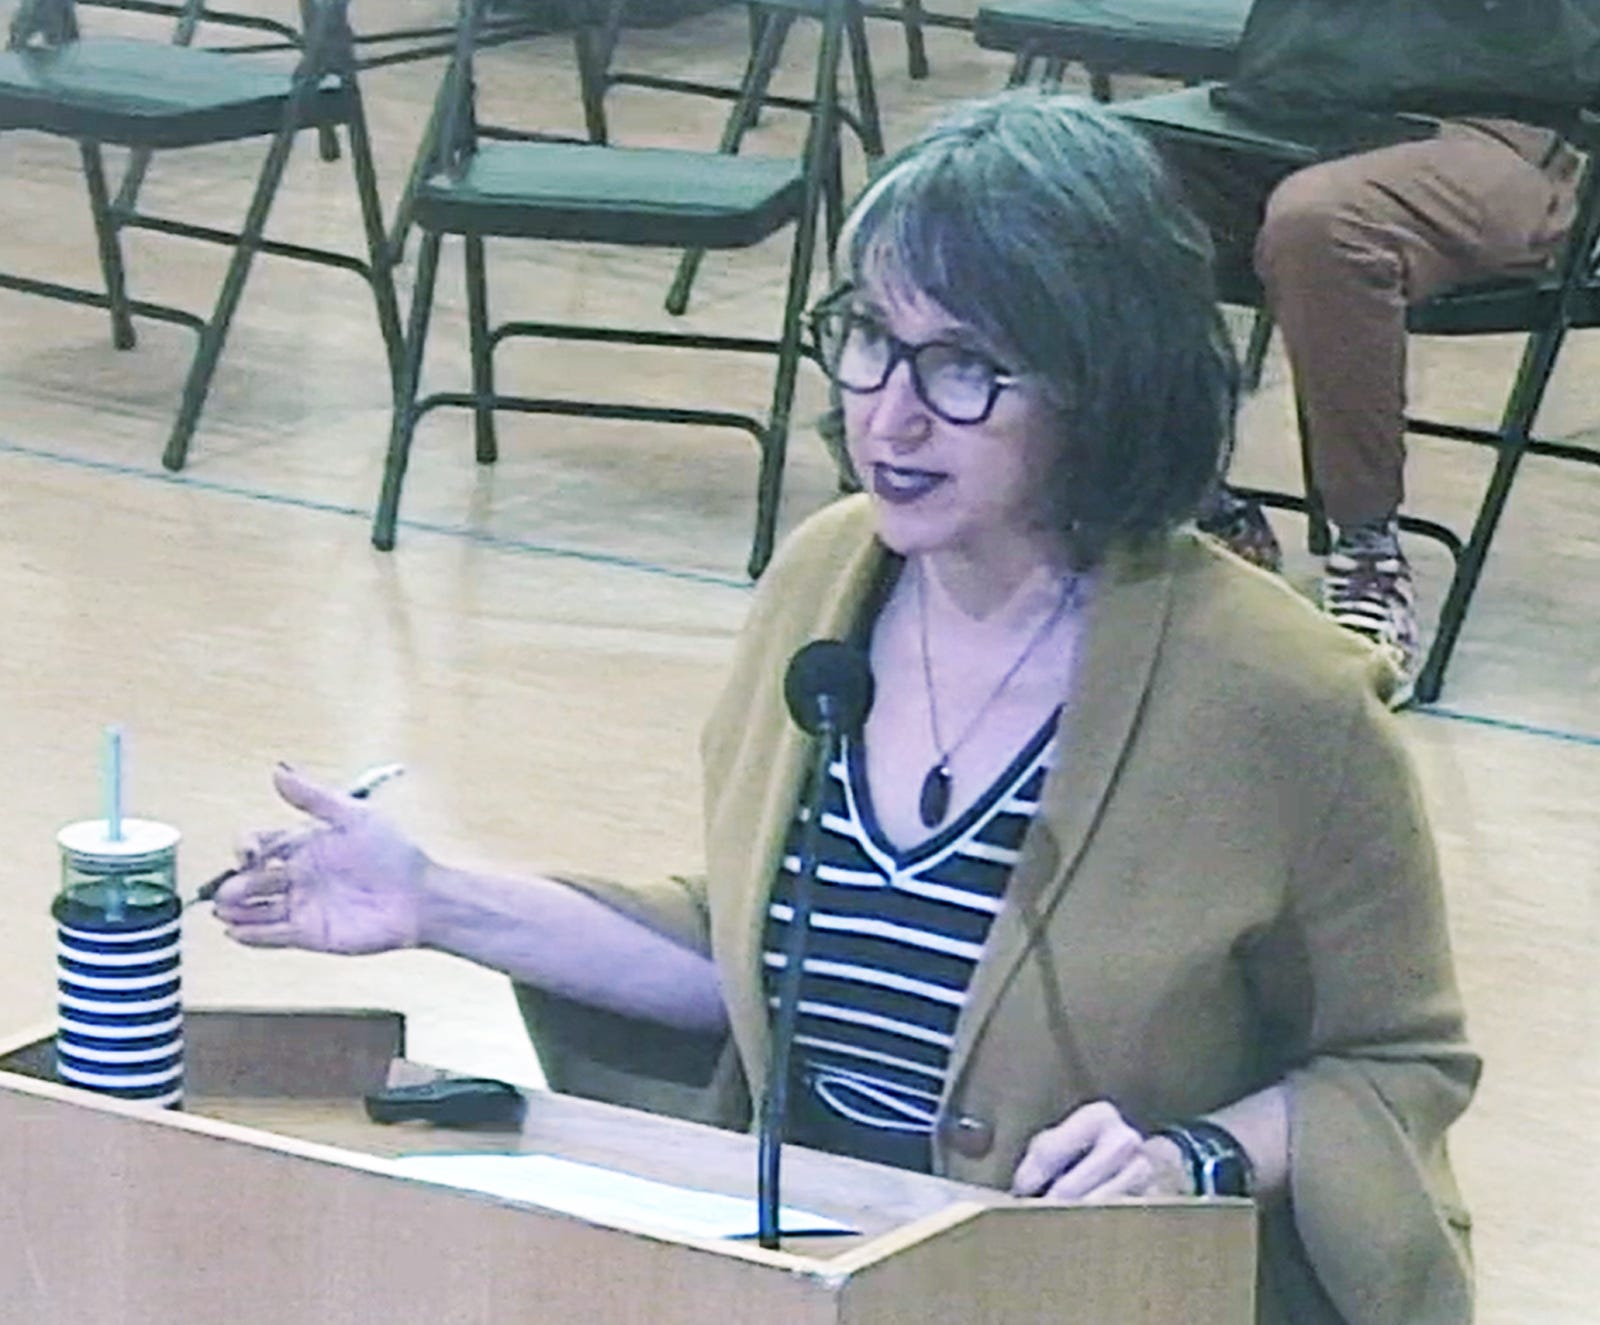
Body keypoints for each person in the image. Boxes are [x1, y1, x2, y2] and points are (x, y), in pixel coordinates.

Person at [213, 93, 1479, 1325]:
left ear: (1106, 382)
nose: (892, 413)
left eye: (965, 365)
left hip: (1099, 1293)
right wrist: (433, 898)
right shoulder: (824, 579)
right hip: (820, 1266)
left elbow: (1396, 1064)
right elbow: (752, 951)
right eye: (869, 337)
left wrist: (1187, 1157)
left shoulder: (1284, 698)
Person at [1167, 83, 1585, 691]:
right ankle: (1192, 501)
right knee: (1086, 172)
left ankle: (1368, 548)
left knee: (1323, 222)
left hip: (1496, 127)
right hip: (1296, 102)